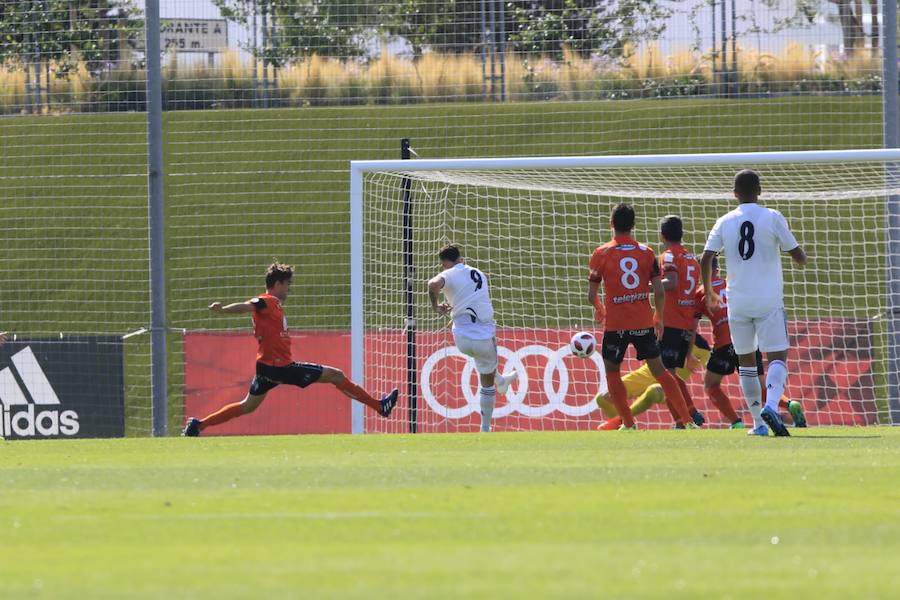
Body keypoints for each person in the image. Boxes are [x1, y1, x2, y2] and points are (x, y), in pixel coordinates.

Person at [182, 261, 398, 437]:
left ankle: (198, 425)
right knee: (336, 375)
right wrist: (223, 311)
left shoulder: (273, 306)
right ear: (277, 283)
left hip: (266, 368)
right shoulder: (267, 301)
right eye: (287, 284)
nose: (289, 288)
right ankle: (380, 407)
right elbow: (248, 305)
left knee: (247, 406)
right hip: (281, 367)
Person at [700, 169, 807, 437]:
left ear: (735, 194)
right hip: (768, 300)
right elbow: (796, 253)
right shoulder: (772, 216)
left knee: (746, 362)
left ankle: (758, 424)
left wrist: (711, 293)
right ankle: (772, 405)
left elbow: (706, 258)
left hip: (737, 302)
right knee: (777, 357)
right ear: (759, 191)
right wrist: (802, 258)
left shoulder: (724, 221)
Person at [588, 203, 694, 430]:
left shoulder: (601, 253)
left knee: (612, 371)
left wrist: (600, 309)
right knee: (660, 371)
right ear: (633, 226)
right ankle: (687, 420)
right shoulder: (646, 253)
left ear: (611, 224)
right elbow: (658, 290)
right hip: (642, 322)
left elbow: (591, 294)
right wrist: (659, 317)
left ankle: (628, 423)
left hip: (615, 325)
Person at [694, 256, 807, 432]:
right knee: (761, 387)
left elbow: (692, 323)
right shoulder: (731, 285)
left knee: (711, 384)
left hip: (724, 344)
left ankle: (736, 422)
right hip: (747, 338)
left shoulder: (701, 292)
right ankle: (790, 404)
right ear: (718, 269)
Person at [427, 244, 516, 432]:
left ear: (445, 264)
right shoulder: (478, 273)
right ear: (461, 259)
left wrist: (435, 307)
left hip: (460, 338)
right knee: (486, 380)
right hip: (484, 337)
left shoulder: (448, 273)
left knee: (463, 326)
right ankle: (485, 428)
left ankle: (501, 380)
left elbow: (433, 284)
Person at [594, 334, 712, 430]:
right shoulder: (661, 326)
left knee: (653, 392)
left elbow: (710, 368)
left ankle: (621, 422)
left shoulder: (701, 347)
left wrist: (691, 408)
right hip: (648, 373)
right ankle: (626, 432)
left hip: (668, 388)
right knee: (603, 398)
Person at [657, 215, 706, 426]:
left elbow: (671, 283)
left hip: (670, 323)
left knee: (664, 376)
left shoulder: (668, 256)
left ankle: (683, 419)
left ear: (662, 235)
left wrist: (646, 287)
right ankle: (685, 416)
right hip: (686, 325)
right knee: (671, 374)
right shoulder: (692, 259)